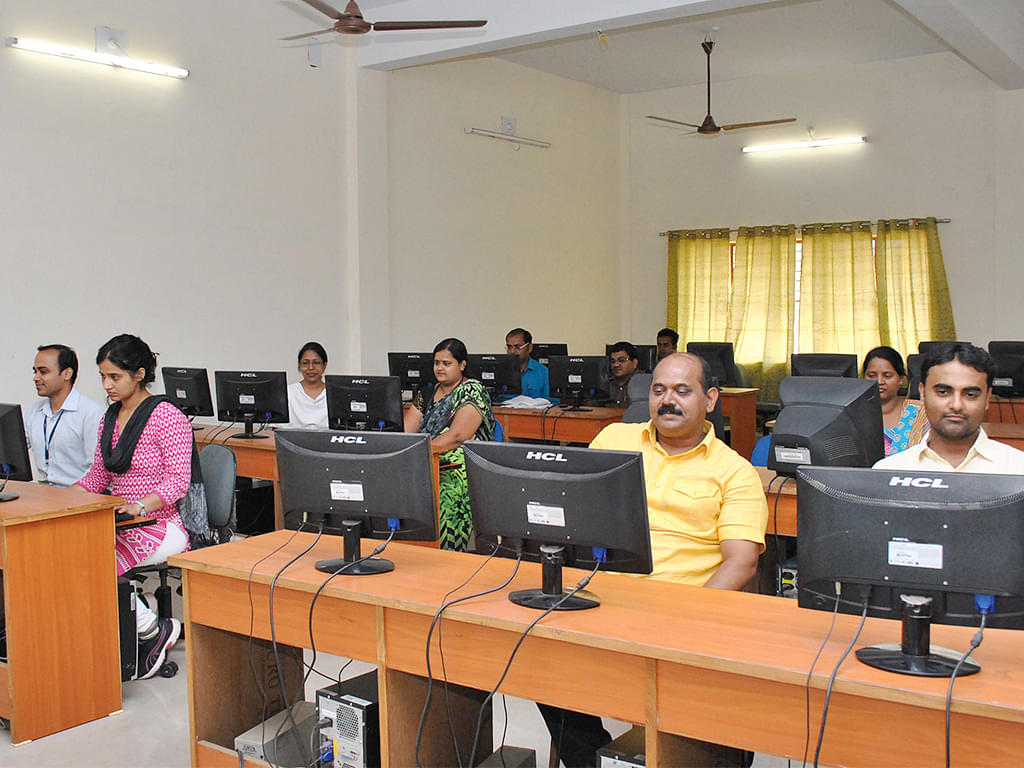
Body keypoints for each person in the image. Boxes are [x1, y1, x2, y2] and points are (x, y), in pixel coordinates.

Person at [541, 353, 769, 766]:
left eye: (682, 391)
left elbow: (741, 563)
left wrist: (685, 618)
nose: (668, 401)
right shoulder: (614, 440)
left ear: (710, 399)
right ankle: (590, 758)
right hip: (605, 600)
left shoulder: (735, 471)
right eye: (659, 390)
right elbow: (572, 512)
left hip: (686, 612)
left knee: (706, 714)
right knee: (537, 658)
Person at [76, 334, 190, 679]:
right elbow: (98, 475)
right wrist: (61, 499)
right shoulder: (110, 417)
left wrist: (141, 505)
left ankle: (152, 630)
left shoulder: (166, 416)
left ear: (139, 374)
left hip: (161, 524)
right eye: (103, 377)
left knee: (93, 562)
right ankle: (137, 618)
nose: (106, 385)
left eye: (114, 376)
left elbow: (177, 481)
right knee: (70, 555)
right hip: (122, 521)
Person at [404, 338, 496, 551]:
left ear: (462, 365)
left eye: (447, 363)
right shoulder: (427, 393)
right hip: (425, 461)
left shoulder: (472, 391)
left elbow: (457, 436)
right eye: (437, 363)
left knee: (446, 496)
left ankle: (447, 555)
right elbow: (407, 431)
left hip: (461, 467)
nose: (440, 368)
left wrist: (420, 454)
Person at [875, 342, 1024, 472]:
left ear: (987, 398)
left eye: (970, 394)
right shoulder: (889, 470)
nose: (956, 405)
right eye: (943, 392)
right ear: (923, 393)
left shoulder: (1017, 468)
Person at [24, 344, 104, 486]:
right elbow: (13, 450)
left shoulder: (91, 413)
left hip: (80, 493)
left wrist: (75, 492)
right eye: (35, 371)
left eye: (43, 372)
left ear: (67, 374)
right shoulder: (34, 411)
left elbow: (98, 470)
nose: (36, 378)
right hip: (43, 492)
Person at [862, 345, 929, 456]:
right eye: (872, 375)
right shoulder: (854, 413)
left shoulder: (921, 412)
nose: (879, 381)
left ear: (901, 379)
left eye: (887, 376)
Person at [287, 341, 328, 429]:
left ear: (325, 365)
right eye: (305, 363)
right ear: (299, 365)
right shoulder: (288, 393)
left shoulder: (335, 394)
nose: (310, 368)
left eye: (316, 363)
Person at [503, 327, 552, 402]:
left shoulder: (544, 373)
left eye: (517, 347)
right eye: (509, 347)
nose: (512, 351)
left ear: (529, 348)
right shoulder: (501, 371)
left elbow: (550, 403)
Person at [606, 341, 640, 407]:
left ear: (634, 363)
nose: (616, 365)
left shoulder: (644, 384)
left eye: (622, 360)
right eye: (613, 361)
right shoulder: (606, 383)